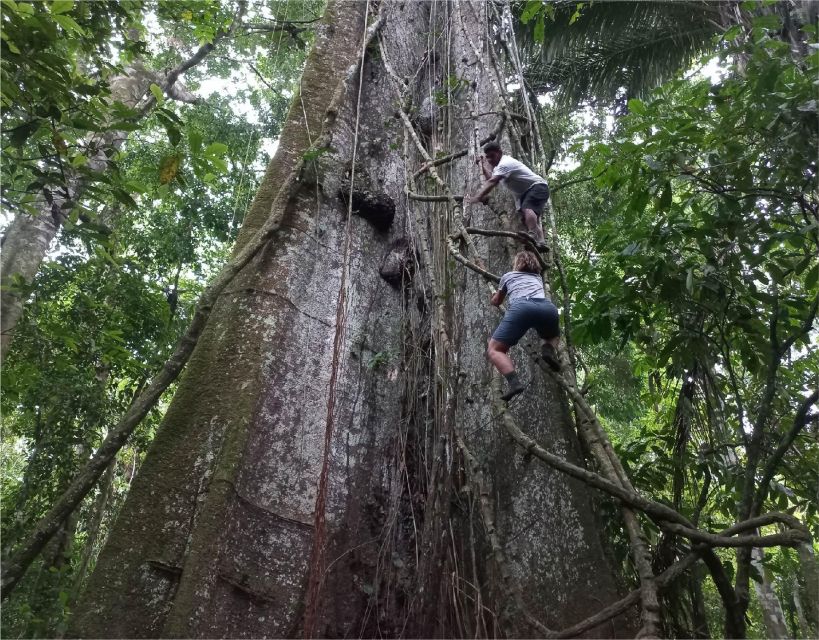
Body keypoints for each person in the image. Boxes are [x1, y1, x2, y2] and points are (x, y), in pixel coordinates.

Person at [488, 250, 561, 401]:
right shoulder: (537, 277)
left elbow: (497, 301)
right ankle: (547, 349)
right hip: (547, 308)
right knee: (552, 335)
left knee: (495, 349)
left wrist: (493, 296)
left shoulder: (508, 276)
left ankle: (514, 383)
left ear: (517, 263)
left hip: (522, 308)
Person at [466, 142, 550, 252]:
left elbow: (492, 182)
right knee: (528, 217)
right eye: (488, 157)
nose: (490, 159)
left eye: (493, 156)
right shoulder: (498, 169)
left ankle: (533, 236)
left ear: (500, 153)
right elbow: (491, 177)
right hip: (525, 193)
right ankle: (541, 243)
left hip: (537, 186)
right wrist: (482, 165)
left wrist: (477, 197)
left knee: (527, 209)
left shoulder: (505, 163)